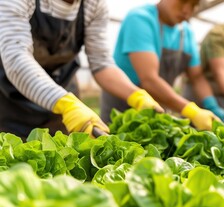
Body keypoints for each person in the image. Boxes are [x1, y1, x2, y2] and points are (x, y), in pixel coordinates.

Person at [0, 0, 162, 138]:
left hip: (62, 91)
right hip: (9, 98)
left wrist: (136, 96)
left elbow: (101, 63)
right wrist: (65, 103)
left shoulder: (93, 4)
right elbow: (16, 56)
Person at [104, 0, 223, 130]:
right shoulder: (140, 19)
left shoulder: (186, 32)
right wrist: (191, 111)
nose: (187, 10)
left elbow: (197, 77)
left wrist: (211, 104)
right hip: (124, 106)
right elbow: (149, 79)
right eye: (183, 2)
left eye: (194, 5)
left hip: (159, 107)